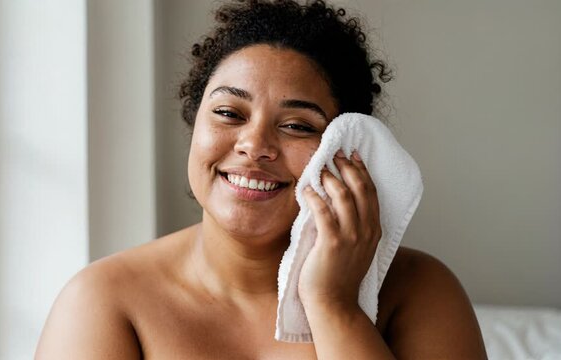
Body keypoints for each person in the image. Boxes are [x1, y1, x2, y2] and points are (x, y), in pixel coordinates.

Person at [36, 0, 487, 358]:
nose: (255, 145)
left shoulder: (420, 291)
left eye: (297, 125)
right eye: (229, 113)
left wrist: (333, 306)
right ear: (196, 126)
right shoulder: (103, 302)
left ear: (346, 150)